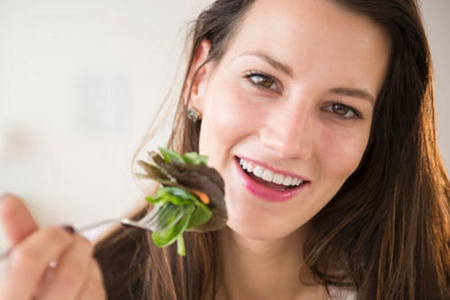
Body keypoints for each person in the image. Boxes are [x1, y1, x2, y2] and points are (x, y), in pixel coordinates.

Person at [1, 0, 449, 299]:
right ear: (199, 80)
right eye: (262, 80)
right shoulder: (98, 287)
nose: (286, 142)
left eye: (340, 108)